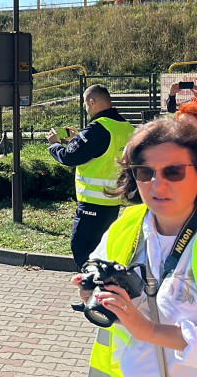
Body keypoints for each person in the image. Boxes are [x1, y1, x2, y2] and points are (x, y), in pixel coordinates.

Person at [73, 117, 197, 376]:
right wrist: (92, 293)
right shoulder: (127, 224)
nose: (157, 184)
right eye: (145, 172)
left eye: (174, 171)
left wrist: (149, 330)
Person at [47, 84, 136, 269]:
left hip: (92, 202)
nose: (86, 109)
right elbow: (102, 152)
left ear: (92, 102)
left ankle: (91, 294)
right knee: (102, 251)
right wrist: (77, 139)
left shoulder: (97, 129)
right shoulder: (126, 127)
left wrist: (54, 145)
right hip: (113, 201)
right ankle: (99, 293)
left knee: (82, 249)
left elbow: (69, 157)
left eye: (86, 104)